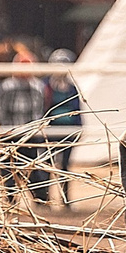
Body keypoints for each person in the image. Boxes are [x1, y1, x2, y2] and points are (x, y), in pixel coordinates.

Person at [0, 48, 48, 209]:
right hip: (10, 135)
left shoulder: (37, 87)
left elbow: (38, 112)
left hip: (28, 135)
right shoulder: (6, 87)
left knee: (31, 169)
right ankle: (12, 200)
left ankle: (40, 199)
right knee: (8, 169)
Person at [38, 50, 85, 210]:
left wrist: (78, 129)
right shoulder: (44, 86)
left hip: (68, 132)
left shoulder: (71, 88)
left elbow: (77, 109)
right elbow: (42, 109)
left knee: (65, 166)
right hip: (49, 131)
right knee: (47, 165)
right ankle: (45, 199)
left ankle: (65, 199)